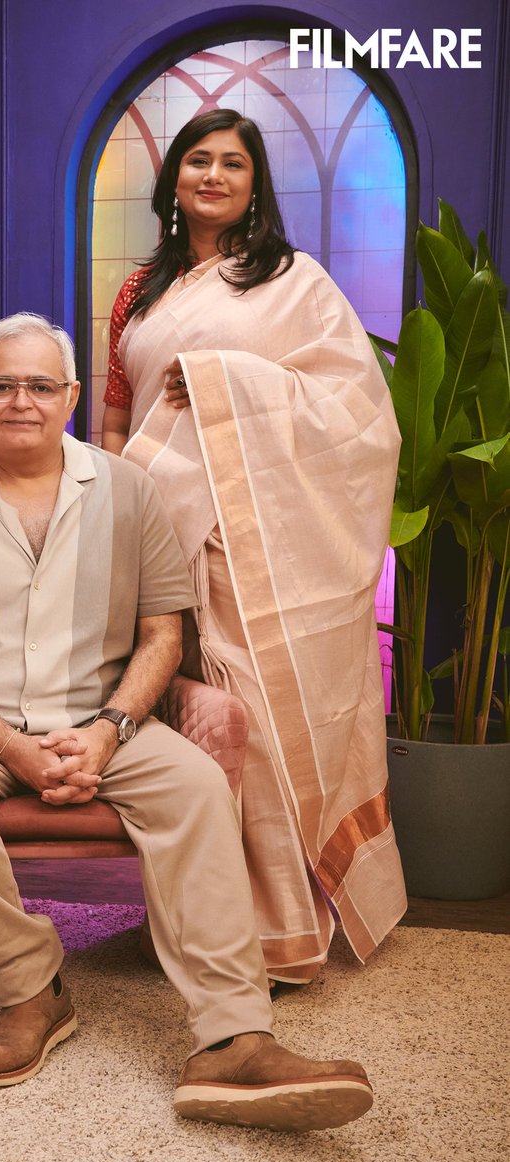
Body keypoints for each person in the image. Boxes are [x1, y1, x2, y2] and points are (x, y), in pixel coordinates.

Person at [0, 311, 375, 1132]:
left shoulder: (128, 490)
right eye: (2, 385)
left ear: (71, 396)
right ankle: (30, 991)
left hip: (99, 717)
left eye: (40, 385)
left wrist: (106, 730)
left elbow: (161, 637)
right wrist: (12, 749)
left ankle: (232, 1038)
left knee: (198, 784)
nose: (21, 401)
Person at [101, 110, 406, 985]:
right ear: (174, 181)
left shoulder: (292, 280)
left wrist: (222, 381)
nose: (213, 175)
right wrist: (111, 510)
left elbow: (356, 410)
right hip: (163, 537)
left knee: (262, 720)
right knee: (194, 722)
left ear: (253, 185)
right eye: (197, 159)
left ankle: (283, 931)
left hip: (263, 537)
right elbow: (118, 419)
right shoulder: (140, 294)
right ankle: (200, 920)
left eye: (233, 163)